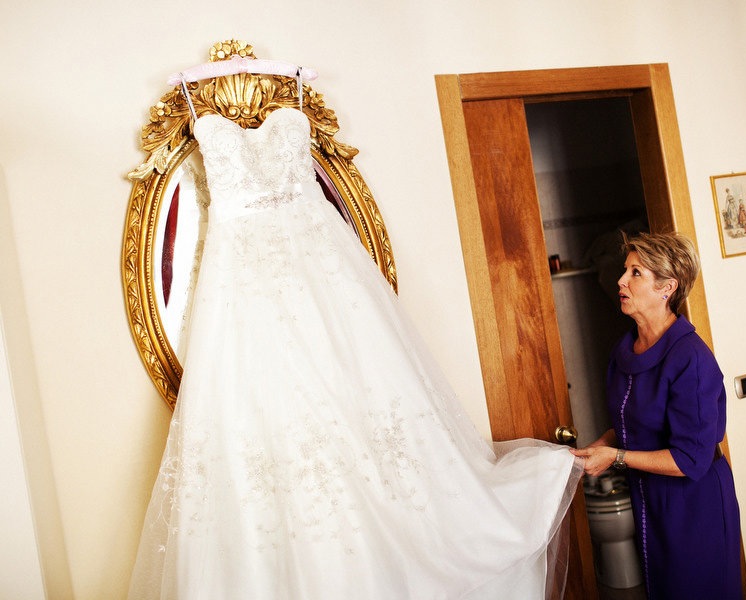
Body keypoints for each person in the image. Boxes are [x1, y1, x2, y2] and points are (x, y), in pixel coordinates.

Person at [127, 89, 582, 598]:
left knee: (372, 415)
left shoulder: (294, 91)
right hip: (241, 281)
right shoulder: (194, 97)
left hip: (321, 265)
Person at [570, 231, 742, 599]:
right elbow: (632, 420)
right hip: (649, 496)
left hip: (694, 504)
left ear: (667, 288)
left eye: (636, 273)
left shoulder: (691, 359)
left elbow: (690, 458)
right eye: (625, 270)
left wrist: (614, 458)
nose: (620, 280)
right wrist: (599, 445)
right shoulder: (624, 350)